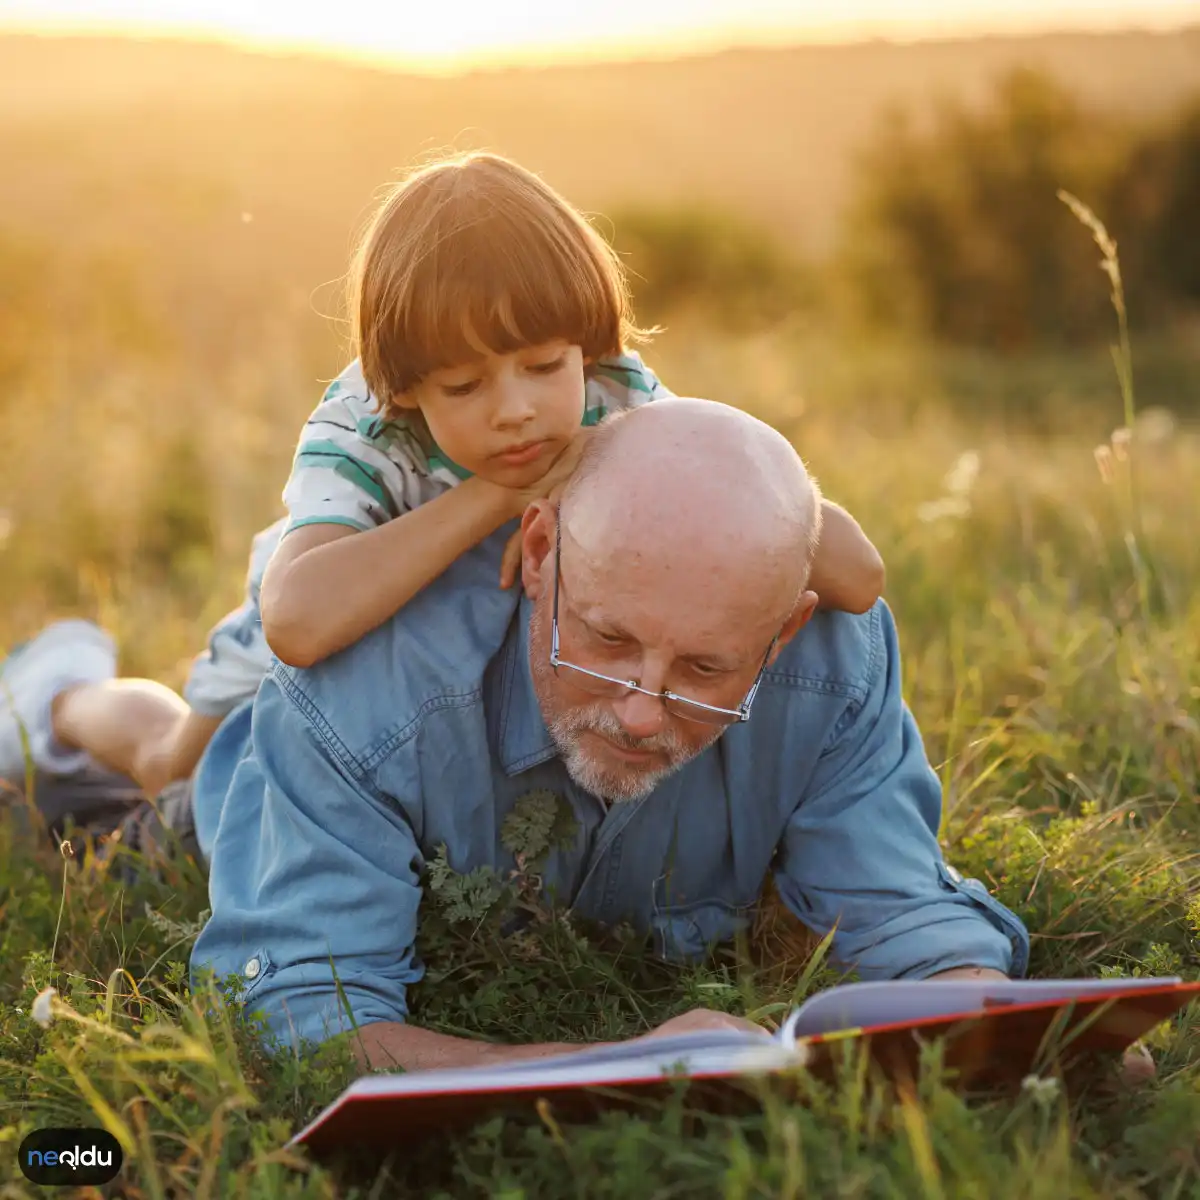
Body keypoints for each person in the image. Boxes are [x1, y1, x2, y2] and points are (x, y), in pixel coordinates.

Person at [0, 152, 883, 807]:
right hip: (336, 597)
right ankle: (63, 691)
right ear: (405, 389)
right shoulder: (364, 425)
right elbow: (302, 623)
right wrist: (493, 498)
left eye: (544, 365)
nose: (516, 411)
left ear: (587, 345)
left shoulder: (615, 394)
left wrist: (720, 473)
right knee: (165, 768)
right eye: (464, 386)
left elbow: (855, 574)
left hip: (488, 648)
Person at [188, 396, 1033, 1071]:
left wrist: (1024, 1035)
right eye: (609, 641)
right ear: (543, 546)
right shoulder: (366, 695)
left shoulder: (833, 660)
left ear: (781, 632)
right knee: (141, 779)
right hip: (234, 774)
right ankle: (65, 691)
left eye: (705, 670)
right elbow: (295, 1024)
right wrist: (620, 1063)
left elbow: (900, 914)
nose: (640, 712)